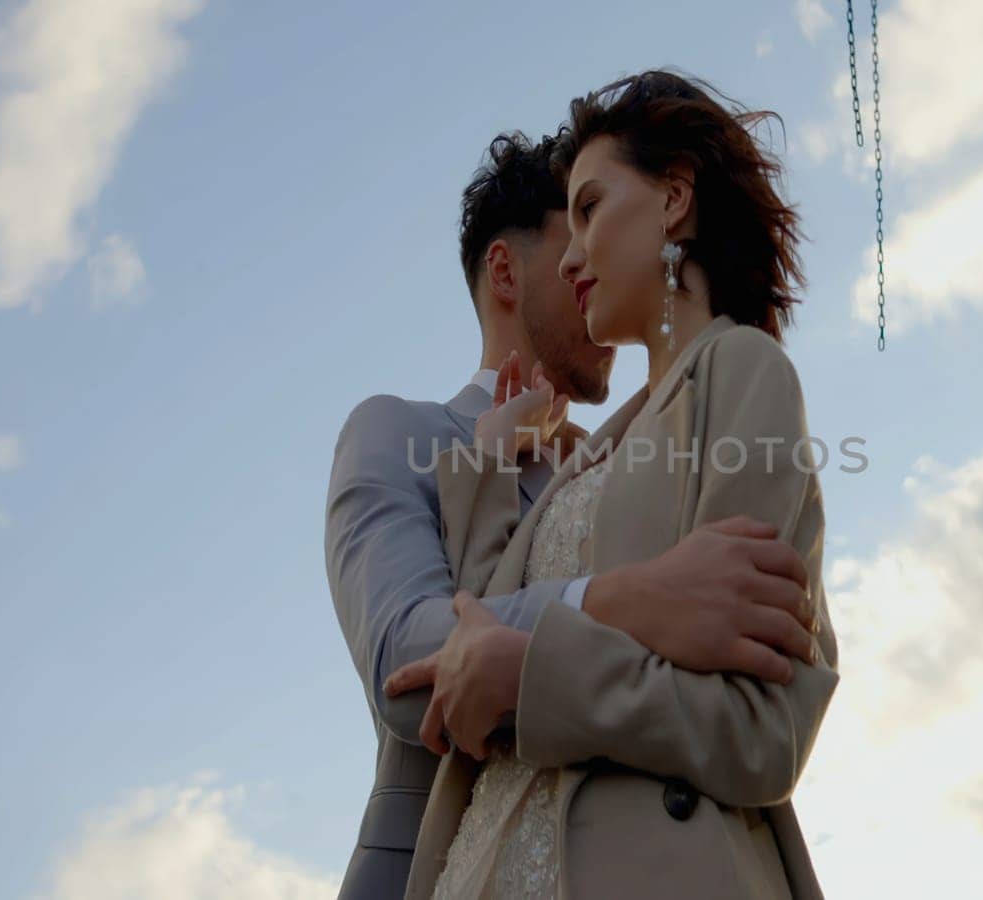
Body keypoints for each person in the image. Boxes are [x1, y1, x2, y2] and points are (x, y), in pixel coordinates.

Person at [324, 128, 821, 900]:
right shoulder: (401, 431)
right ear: (504, 270)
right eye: (572, 222)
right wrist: (622, 600)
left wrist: (534, 663)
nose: (576, 259)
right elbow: (405, 659)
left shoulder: (666, 421)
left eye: (597, 215)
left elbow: (755, 691)